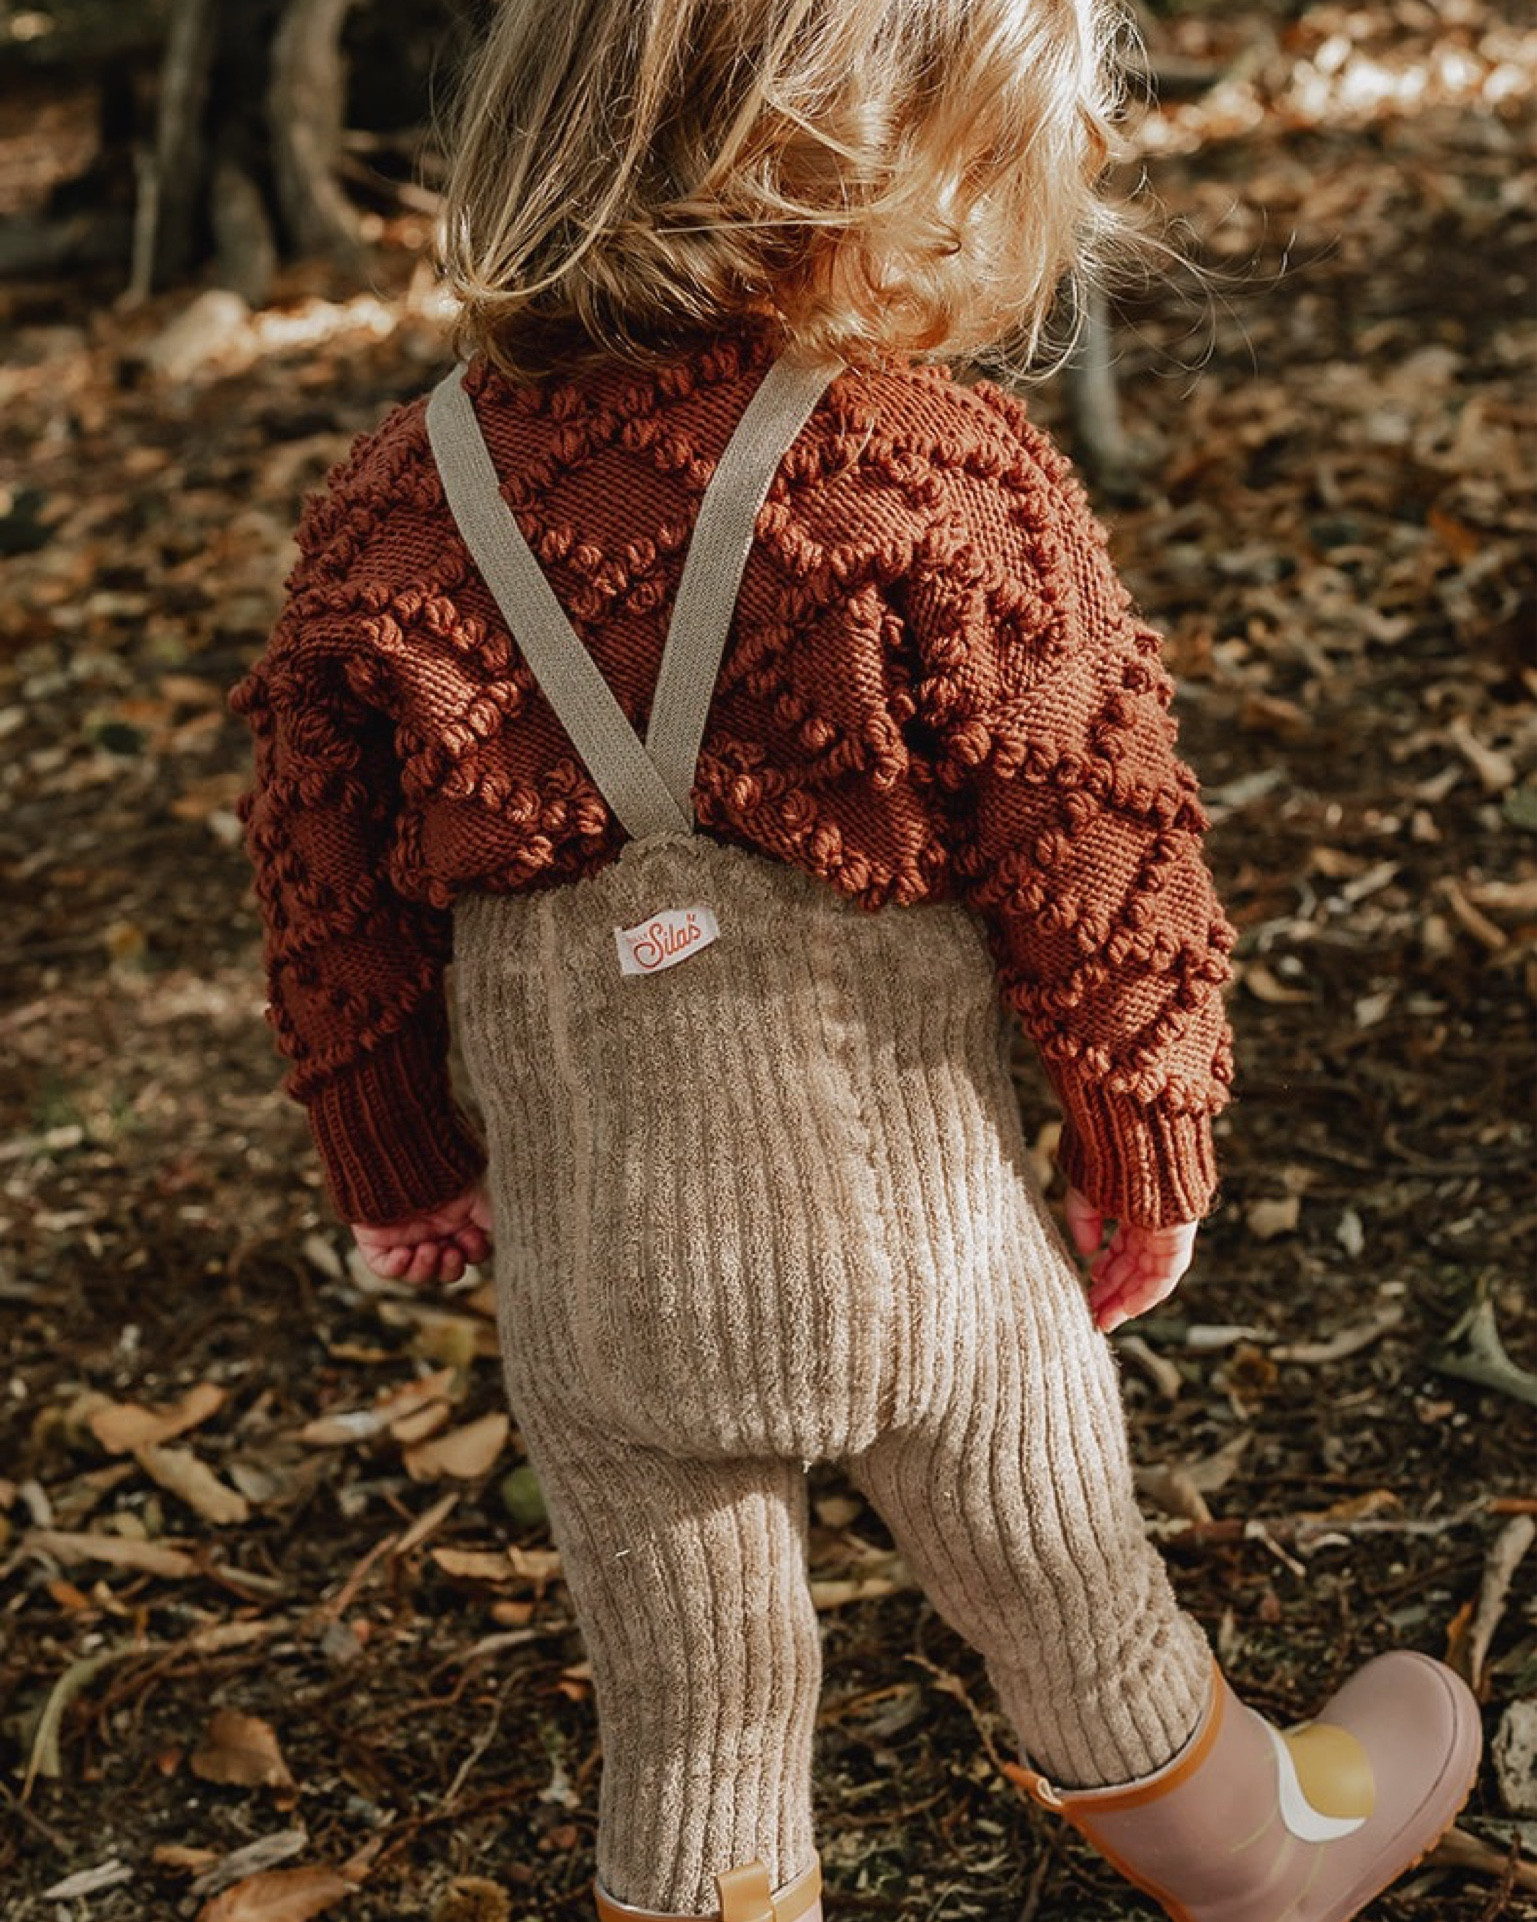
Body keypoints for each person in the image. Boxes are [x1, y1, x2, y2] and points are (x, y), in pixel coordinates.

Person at [230, 3, 1481, 1918]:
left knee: (696, 1718)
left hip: (602, 1282)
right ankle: (1252, 1847)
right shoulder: (938, 473)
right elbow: (1095, 833)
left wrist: (398, 1167)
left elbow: (322, 891)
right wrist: (1140, 1136)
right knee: (1067, 1581)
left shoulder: (393, 508)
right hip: (940, 1265)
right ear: (877, 165)